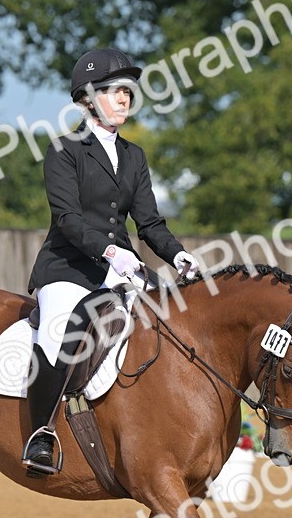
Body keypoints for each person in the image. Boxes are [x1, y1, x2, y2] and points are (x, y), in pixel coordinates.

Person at [22, 47, 199, 475]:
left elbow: (150, 221)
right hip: (69, 268)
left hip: (123, 270)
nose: (125, 99)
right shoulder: (65, 150)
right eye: (115, 91)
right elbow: (67, 220)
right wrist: (109, 250)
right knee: (57, 329)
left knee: (176, 322)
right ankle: (41, 432)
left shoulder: (135, 156)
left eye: (128, 92)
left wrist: (179, 256)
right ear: (87, 97)